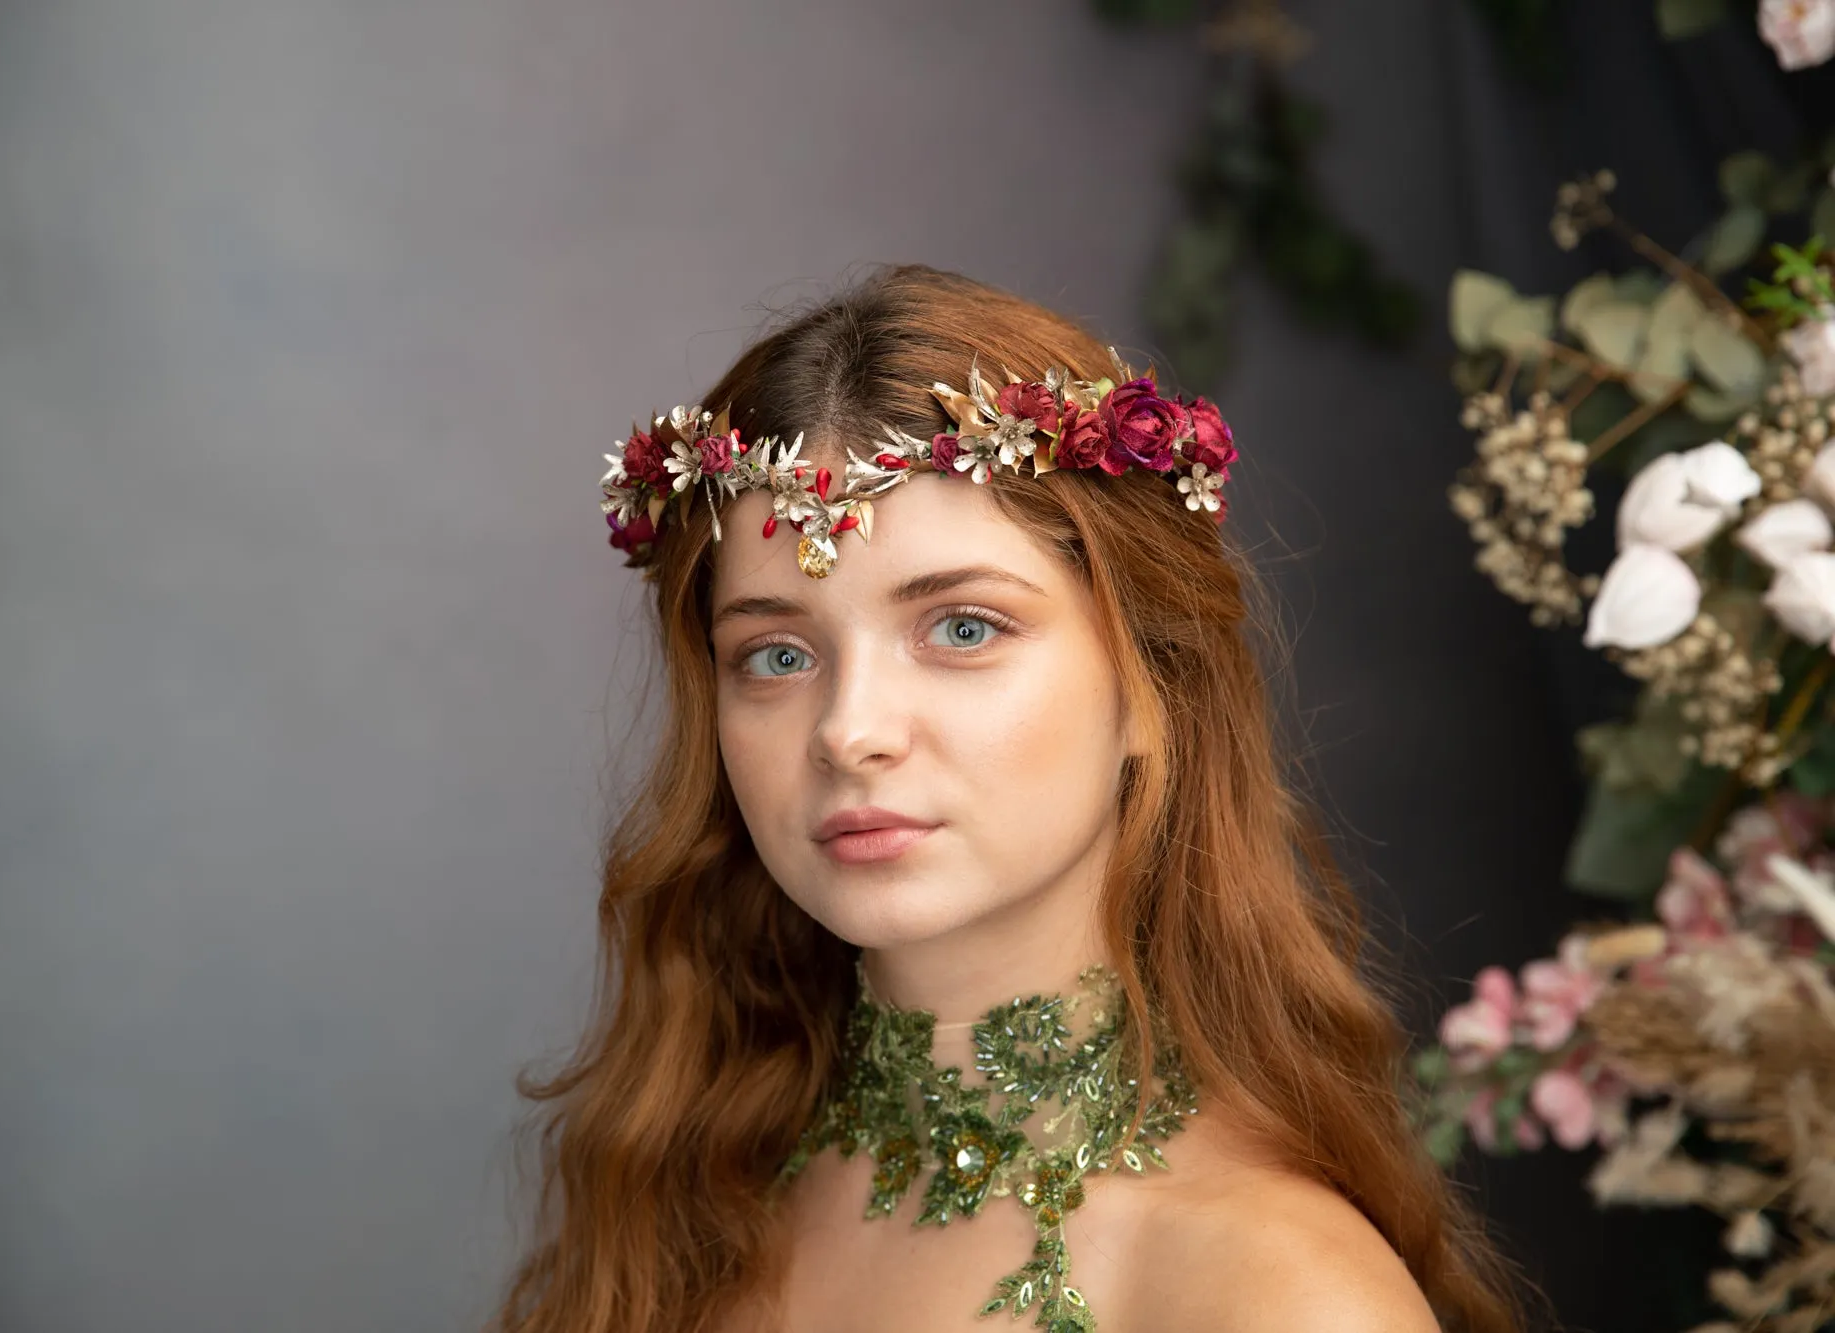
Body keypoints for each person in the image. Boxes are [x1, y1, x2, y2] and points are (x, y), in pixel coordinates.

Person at [496, 265, 1533, 1333]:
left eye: (961, 628)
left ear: (1150, 687)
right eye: (773, 654)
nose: (850, 730)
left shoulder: (1270, 1290)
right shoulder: (688, 1188)